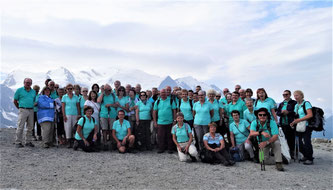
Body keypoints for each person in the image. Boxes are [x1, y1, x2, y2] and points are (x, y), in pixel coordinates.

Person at [290, 90, 314, 165]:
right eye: (294, 96)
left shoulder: (306, 104)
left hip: (307, 126)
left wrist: (299, 120)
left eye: (297, 95)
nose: (295, 97)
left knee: (307, 142)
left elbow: (310, 115)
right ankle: (306, 155)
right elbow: (296, 116)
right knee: (298, 142)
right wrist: (293, 122)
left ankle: (309, 158)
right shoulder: (296, 105)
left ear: (301, 95)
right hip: (299, 126)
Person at [13, 78, 36, 148]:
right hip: (23, 109)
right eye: (27, 82)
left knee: (30, 127)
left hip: (31, 110)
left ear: (31, 84)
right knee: (20, 126)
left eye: (29, 83)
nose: (28, 84)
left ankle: (28, 141)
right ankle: (18, 142)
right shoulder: (19, 90)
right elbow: (15, 100)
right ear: (24, 83)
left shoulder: (33, 92)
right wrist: (20, 108)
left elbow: (33, 100)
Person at [153, 88, 177, 154]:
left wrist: (174, 120)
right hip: (160, 122)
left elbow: (174, 111)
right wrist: (155, 121)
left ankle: (170, 148)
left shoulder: (171, 101)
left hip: (169, 122)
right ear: (159, 94)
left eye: (164, 92)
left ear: (166, 93)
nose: (163, 94)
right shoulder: (157, 102)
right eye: (162, 93)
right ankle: (161, 148)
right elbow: (154, 112)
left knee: (170, 136)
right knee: (160, 136)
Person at [276, 90, 297, 157]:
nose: (285, 96)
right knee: (283, 138)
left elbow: (296, 112)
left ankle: (292, 152)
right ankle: (285, 152)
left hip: (291, 123)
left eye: (286, 94)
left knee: (291, 138)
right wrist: (282, 113)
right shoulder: (281, 104)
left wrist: (288, 112)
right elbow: (278, 113)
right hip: (283, 123)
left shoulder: (294, 103)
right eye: (284, 95)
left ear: (290, 95)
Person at [97, 84, 117, 151]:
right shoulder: (102, 95)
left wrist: (110, 105)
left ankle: (111, 143)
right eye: (106, 90)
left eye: (109, 90)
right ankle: (105, 143)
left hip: (112, 114)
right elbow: (98, 101)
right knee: (104, 129)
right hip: (103, 114)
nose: (108, 91)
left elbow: (117, 104)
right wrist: (103, 92)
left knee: (112, 129)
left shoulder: (113, 96)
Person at [61, 83, 81, 148]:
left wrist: (79, 114)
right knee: (68, 128)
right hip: (67, 114)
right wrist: (64, 115)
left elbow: (78, 106)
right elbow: (63, 107)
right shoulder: (64, 97)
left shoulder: (76, 97)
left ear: (73, 89)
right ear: (66, 89)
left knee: (74, 128)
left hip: (75, 114)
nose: (69, 90)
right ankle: (68, 141)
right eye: (68, 89)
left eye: (71, 89)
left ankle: (73, 141)